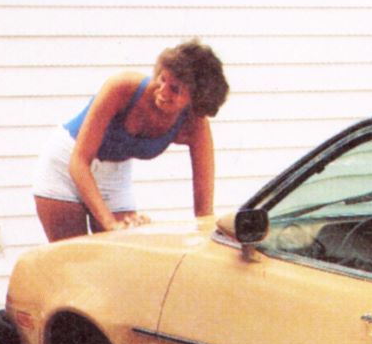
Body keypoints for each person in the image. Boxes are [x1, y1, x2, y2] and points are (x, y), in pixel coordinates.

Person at [32, 40, 229, 241]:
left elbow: (204, 213)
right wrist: (110, 224)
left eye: (175, 89)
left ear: (195, 98)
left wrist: (207, 240)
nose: (162, 91)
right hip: (67, 163)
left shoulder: (195, 124)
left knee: (121, 254)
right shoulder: (122, 87)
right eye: (162, 79)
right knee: (71, 259)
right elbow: (79, 162)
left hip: (114, 176)